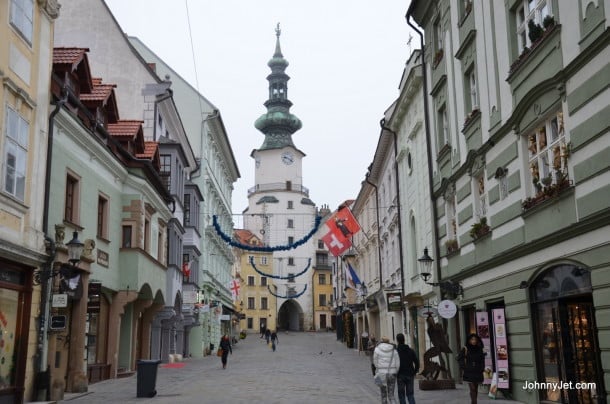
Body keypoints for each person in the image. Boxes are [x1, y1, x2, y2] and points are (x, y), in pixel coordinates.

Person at [457, 334, 485, 404]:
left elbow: (482, 359)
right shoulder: (465, 348)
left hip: (477, 371)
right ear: (469, 340)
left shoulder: (479, 349)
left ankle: (473, 401)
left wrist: (482, 368)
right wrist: (464, 367)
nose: (474, 341)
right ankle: (474, 402)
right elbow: (459, 358)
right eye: (472, 339)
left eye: (475, 339)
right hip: (469, 371)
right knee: (472, 388)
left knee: (475, 389)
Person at [373, 336, 400, 404]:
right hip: (392, 373)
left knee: (383, 394)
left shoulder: (377, 349)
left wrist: (379, 368)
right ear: (388, 342)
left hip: (381, 373)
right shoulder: (394, 350)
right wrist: (395, 371)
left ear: (381, 341)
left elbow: (375, 362)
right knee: (391, 395)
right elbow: (398, 364)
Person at [396, 333, 419, 404]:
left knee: (401, 395)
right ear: (404, 340)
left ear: (397, 341)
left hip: (400, 375)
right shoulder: (411, 350)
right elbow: (417, 363)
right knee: (410, 394)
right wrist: (414, 372)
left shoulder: (396, 352)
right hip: (410, 374)